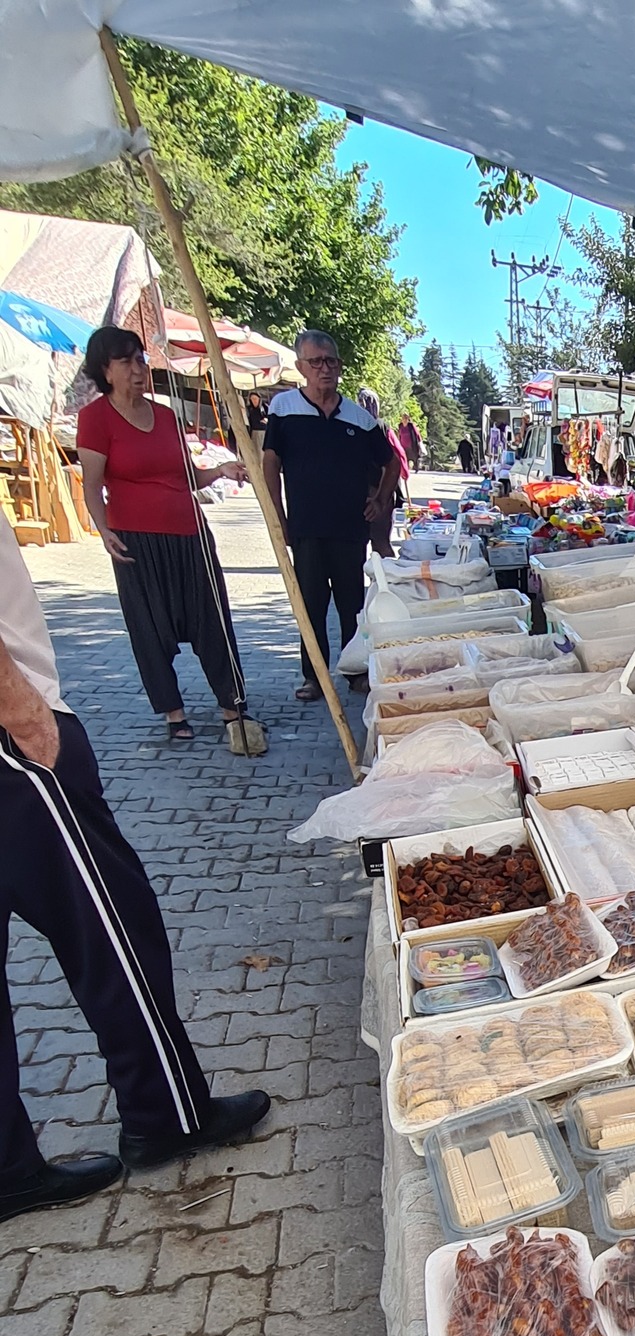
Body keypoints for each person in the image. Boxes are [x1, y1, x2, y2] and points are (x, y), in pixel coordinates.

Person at [0, 511, 270, 1223]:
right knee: (112, 930)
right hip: (11, 742)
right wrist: (21, 710)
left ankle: (5, 1166)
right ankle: (165, 1115)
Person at [76, 327, 251, 744]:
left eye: (141, 359)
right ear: (106, 370)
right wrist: (103, 531)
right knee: (151, 627)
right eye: (128, 361)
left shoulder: (167, 415)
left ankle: (232, 703)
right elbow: (92, 485)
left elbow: (187, 475)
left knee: (212, 618)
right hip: (138, 540)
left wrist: (220, 471)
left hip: (190, 533)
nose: (140, 369)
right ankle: (174, 712)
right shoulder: (95, 419)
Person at [262, 329, 398, 702]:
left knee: (352, 604)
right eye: (316, 362)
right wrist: (277, 515)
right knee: (310, 604)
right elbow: (270, 463)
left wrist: (381, 501)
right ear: (301, 366)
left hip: (350, 526)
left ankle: (355, 669)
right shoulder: (285, 409)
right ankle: (315, 675)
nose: (325, 369)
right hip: (305, 524)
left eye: (331, 361)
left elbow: (391, 463)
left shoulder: (358, 418)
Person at [355, 387, 411, 558]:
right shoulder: (378, 426)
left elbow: (396, 456)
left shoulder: (374, 426)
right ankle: (383, 579)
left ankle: (386, 580)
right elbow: (400, 454)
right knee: (378, 541)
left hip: (377, 489)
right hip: (377, 489)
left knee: (377, 541)